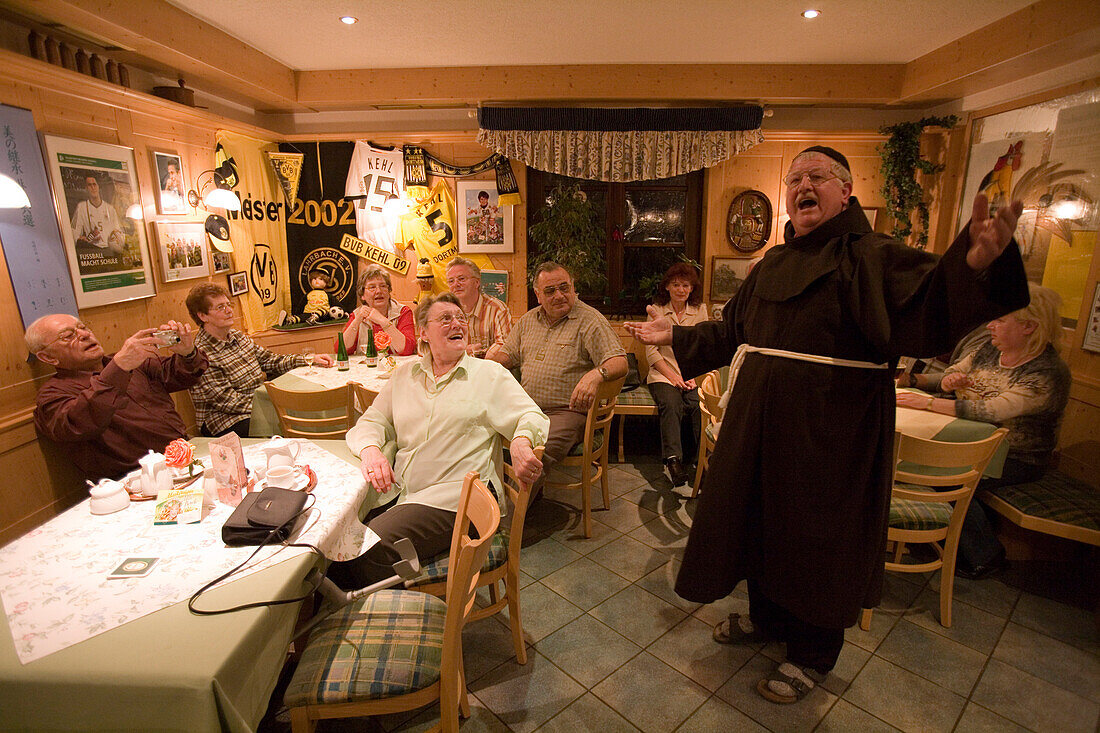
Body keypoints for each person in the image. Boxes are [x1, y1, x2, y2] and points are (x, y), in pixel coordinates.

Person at [625, 145, 1028, 705]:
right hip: (760, 424)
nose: (802, 185)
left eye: (817, 175)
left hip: (832, 432)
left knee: (816, 539)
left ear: (845, 192)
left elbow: (933, 310)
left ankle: (812, 655)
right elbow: (731, 330)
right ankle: (768, 620)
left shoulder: (877, 256)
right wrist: (675, 336)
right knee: (761, 521)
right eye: (795, 178)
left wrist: (975, 263)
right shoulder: (771, 263)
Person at [328, 292, 547, 589]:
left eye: (460, 318)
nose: (457, 323)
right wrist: (371, 452)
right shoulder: (405, 376)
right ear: (424, 333)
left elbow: (530, 416)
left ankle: (401, 617)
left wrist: (521, 442)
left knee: (366, 550)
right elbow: (371, 421)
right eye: (445, 319)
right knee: (331, 540)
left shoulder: (488, 375)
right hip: (406, 492)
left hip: (458, 500)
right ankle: (359, 613)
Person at [896, 283, 1071, 578]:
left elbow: (991, 411)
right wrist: (947, 380)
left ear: (1028, 326)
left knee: (946, 473)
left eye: (1000, 319)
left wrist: (927, 405)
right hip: (965, 438)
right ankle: (929, 536)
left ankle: (985, 555)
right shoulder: (990, 349)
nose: (990, 325)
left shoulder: (1047, 373)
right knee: (926, 462)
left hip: (1017, 458)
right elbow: (951, 373)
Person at [28, 314, 208, 481]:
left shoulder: (129, 362)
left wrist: (188, 353)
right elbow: (78, 424)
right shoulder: (53, 394)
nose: (84, 334)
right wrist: (118, 369)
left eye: (83, 327)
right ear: (48, 357)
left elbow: (182, 375)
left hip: (185, 454)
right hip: (136, 480)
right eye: (68, 335)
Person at [488, 262, 627, 474]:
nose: (559, 295)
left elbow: (619, 362)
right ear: (538, 295)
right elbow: (507, 356)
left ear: (573, 288)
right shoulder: (528, 321)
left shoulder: (590, 321)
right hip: (527, 408)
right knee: (481, 435)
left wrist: (596, 374)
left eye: (564, 288)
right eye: (550, 291)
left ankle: (513, 505)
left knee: (533, 453)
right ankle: (487, 497)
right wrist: (482, 367)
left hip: (567, 412)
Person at [185, 283, 334, 438]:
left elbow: (271, 361)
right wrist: (277, 405)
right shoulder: (201, 353)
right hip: (226, 420)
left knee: (306, 414)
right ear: (202, 316)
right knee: (295, 423)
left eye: (229, 305)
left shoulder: (238, 336)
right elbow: (227, 401)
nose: (229, 311)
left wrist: (308, 359)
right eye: (220, 307)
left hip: (259, 405)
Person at [645, 262, 707, 488]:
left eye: (686, 285)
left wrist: (693, 374)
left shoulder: (700, 310)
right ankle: (674, 462)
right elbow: (652, 352)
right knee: (671, 404)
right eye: (676, 284)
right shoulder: (658, 310)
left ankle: (704, 462)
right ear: (667, 287)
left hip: (691, 374)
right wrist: (672, 376)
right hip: (662, 374)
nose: (681, 289)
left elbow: (702, 347)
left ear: (692, 289)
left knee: (699, 406)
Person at [339, 265, 415, 355]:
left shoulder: (403, 311)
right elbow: (342, 349)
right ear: (362, 295)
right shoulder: (357, 314)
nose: (379, 291)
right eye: (372, 287)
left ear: (389, 290)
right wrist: (356, 321)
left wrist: (382, 320)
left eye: (383, 286)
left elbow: (407, 349)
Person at [445, 256, 511, 358]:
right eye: (451, 281)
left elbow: (505, 345)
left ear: (477, 282)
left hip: (488, 369)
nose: (456, 284)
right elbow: (433, 345)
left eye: (461, 279)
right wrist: (465, 351)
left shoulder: (497, 309)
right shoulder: (445, 311)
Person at [71, 173, 125, 259]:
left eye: (94, 184)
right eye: (89, 185)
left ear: (98, 187)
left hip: (109, 252)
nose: (93, 187)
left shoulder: (110, 209)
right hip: (94, 252)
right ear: (86, 188)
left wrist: (115, 241)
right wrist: (81, 238)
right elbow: (74, 232)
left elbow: (118, 232)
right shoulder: (82, 207)